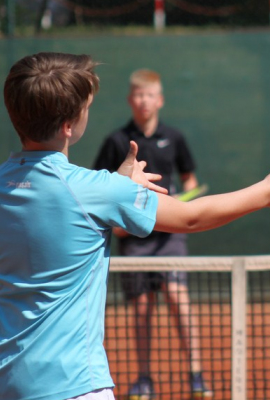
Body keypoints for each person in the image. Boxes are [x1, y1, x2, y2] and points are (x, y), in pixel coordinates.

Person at [0, 52, 270, 400]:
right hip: (72, 385)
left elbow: (60, 210)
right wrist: (266, 192)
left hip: (2, 382)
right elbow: (191, 216)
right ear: (69, 126)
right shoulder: (96, 190)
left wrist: (117, 185)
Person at [92, 69, 209, 400]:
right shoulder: (116, 142)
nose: (143, 101)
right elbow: (101, 186)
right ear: (131, 100)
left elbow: (190, 179)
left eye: (149, 95)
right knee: (142, 306)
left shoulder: (175, 137)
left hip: (169, 234)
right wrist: (118, 225)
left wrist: (188, 198)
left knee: (176, 295)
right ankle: (144, 379)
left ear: (159, 100)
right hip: (135, 238)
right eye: (138, 95)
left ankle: (196, 373)